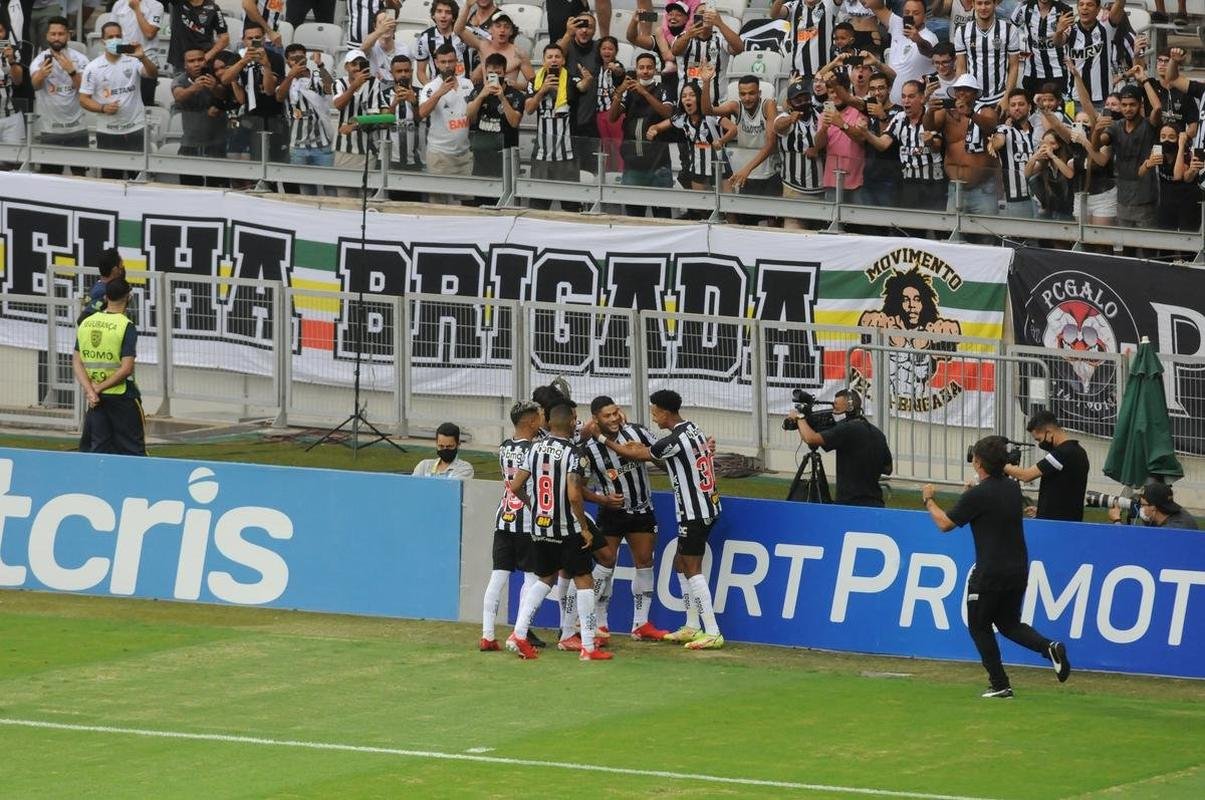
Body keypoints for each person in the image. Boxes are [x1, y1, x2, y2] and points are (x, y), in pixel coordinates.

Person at [922, 436, 1070, 698]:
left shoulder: (979, 494)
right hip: (1017, 569)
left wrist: (929, 501)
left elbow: (945, 524)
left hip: (990, 572)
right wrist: (971, 493)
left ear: (978, 462)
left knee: (979, 626)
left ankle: (1000, 683)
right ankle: (1049, 647)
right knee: (1008, 623)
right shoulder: (1012, 489)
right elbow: (986, 506)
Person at [602, 389, 724, 650]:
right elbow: (653, 451)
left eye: (654, 410)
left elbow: (637, 455)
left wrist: (603, 438)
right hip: (706, 506)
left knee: (692, 568)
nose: (653, 416)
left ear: (665, 412)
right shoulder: (693, 429)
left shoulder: (675, 440)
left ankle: (712, 631)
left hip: (695, 512)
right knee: (681, 563)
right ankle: (692, 626)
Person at [506, 402, 613, 661]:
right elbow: (575, 495)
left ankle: (518, 634)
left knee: (545, 578)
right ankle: (587, 646)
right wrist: (584, 528)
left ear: (550, 423)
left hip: (540, 525)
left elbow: (516, 485)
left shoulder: (533, 449)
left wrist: (535, 507)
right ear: (573, 421)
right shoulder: (576, 454)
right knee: (584, 579)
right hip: (567, 528)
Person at [581, 396, 670, 642]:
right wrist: (603, 500)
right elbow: (577, 487)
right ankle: (599, 624)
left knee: (644, 562)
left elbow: (665, 459)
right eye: (606, 415)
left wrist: (648, 455)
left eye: (615, 413)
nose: (613, 419)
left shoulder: (637, 432)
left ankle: (640, 624)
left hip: (642, 509)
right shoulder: (589, 448)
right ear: (596, 419)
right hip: (611, 512)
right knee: (606, 564)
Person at [480, 400, 543, 651]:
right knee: (531, 578)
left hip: (503, 517)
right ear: (530, 421)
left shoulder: (505, 447)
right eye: (538, 417)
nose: (542, 421)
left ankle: (487, 634)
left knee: (498, 577)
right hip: (527, 521)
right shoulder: (535, 450)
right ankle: (520, 633)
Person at [71, 278, 147, 456]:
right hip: (122, 397)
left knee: (98, 449)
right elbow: (126, 368)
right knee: (133, 451)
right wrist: (99, 388)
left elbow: (76, 361)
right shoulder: (125, 326)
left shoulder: (86, 322)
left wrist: (91, 390)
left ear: (106, 297)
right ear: (128, 297)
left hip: (96, 400)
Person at [80, 21, 158, 178]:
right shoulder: (92, 67)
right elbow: (83, 99)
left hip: (136, 128)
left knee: (139, 177)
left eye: (118, 36)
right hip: (108, 131)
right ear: (102, 40)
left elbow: (152, 73)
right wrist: (102, 108)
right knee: (111, 178)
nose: (115, 39)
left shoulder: (134, 59)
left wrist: (143, 58)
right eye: (110, 37)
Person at [701, 69, 779, 222]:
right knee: (747, 220)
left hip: (768, 171)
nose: (747, 98)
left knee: (772, 221)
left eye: (752, 93)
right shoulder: (736, 106)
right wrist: (706, 83)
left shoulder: (768, 105)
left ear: (760, 93)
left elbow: (771, 144)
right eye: (743, 94)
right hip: (746, 172)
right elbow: (707, 111)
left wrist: (746, 170)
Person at [790, 388, 892, 507]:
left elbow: (811, 439)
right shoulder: (877, 433)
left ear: (850, 408)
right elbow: (888, 469)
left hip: (849, 505)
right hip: (875, 503)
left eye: (836, 408)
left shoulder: (847, 430)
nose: (834, 412)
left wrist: (799, 417)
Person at [524, 43, 592, 211]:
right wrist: (542, 91)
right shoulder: (534, 82)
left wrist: (588, 80)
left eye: (557, 57)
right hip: (541, 155)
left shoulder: (570, 79)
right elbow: (529, 109)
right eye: (550, 57)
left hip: (567, 155)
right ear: (543, 61)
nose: (553, 60)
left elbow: (582, 86)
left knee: (570, 205)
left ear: (563, 61)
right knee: (538, 205)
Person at [924, 73, 999, 220]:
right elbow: (929, 126)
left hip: (982, 188)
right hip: (955, 187)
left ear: (975, 93)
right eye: (959, 89)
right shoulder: (946, 113)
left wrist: (971, 114)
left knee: (987, 235)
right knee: (953, 233)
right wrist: (929, 111)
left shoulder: (985, 110)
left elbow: (991, 127)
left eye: (967, 89)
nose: (962, 93)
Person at [611, 51, 675, 218]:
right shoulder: (629, 91)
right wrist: (619, 93)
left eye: (649, 67)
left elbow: (668, 113)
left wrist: (645, 92)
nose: (645, 71)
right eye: (641, 68)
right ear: (636, 70)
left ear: (656, 70)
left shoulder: (664, 89)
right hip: (633, 165)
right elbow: (612, 118)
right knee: (633, 217)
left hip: (659, 164)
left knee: (662, 217)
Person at [1097, 82, 1161, 233]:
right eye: (1124, 105)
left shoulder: (1149, 125)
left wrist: (1145, 81)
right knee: (1124, 249)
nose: (1127, 108)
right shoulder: (1116, 126)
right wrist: (1097, 129)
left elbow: (1157, 108)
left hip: (1145, 200)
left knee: (1147, 249)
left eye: (1132, 104)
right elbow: (1102, 140)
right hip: (1123, 199)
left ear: (1140, 105)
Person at [220, 22, 287, 165]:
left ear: (263, 39)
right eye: (250, 38)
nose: (253, 41)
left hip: (273, 116)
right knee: (251, 161)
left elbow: (270, 90)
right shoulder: (238, 57)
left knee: (274, 162)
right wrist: (243, 62)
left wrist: (266, 66)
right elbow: (225, 79)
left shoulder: (275, 58)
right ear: (243, 40)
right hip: (250, 116)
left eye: (257, 37)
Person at [1004, 410, 1089, 521]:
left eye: (1039, 439)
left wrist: (1000, 464)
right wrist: (1042, 510)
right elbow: (1064, 491)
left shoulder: (1063, 453)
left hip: (1058, 524)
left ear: (1048, 432)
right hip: (1068, 518)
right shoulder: (1079, 451)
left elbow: (1026, 475)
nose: (1040, 444)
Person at [419, 42, 475, 201]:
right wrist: (439, 93)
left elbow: (473, 116)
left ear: (457, 61)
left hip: (464, 154)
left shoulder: (467, 84)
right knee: (438, 205)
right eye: (443, 62)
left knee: (465, 205)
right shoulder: (430, 87)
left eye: (451, 61)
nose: (447, 65)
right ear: (436, 63)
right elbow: (422, 113)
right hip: (440, 155)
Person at [29, 17, 89, 161]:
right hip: (49, 129)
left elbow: (86, 91)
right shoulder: (39, 60)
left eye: (61, 34)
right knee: (49, 176)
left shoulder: (81, 59)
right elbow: (35, 86)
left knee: (79, 176)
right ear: (47, 36)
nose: (57, 38)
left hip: (77, 128)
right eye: (53, 34)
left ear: (68, 35)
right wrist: (41, 74)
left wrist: (72, 71)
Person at [277, 44, 335, 193]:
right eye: (293, 58)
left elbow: (329, 87)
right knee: (305, 188)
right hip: (297, 146)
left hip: (321, 145)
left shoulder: (316, 77)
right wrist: (291, 75)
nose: (297, 61)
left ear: (305, 58)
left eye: (300, 57)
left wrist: (320, 64)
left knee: (330, 186)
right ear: (287, 61)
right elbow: (279, 97)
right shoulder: (285, 81)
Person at [172, 47, 230, 184]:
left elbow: (227, 95)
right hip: (190, 143)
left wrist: (215, 87)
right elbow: (178, 96)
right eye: (191, 61)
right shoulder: (180, 80)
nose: (197, 64)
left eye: (200, 59)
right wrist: (194, 88)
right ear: (185, 65)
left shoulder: (216, 76)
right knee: (189, 186)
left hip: (217, 143)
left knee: (218, 186)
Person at [775, 78, 825, 227]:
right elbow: (778, 127)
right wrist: (791, 118)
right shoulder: (784, 118)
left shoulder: (819, 115)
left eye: (806, 98)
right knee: (793, 234)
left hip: (820, 190)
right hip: (794, 190)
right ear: (790, 103)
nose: (803, 102)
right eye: (798, 100)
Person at [866, 0, 936, 106]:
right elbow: (876, 6)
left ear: (925, 16)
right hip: (894, 105)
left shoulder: (930, 37)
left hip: (918, 107)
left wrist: (918, 39)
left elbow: (929, 52)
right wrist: (876, 63)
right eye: (907, 13)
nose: (910, 16)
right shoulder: (898, 24)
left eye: (916, 13)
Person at [953, 0, 1020, 111]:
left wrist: (1007, 97)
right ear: (973, 4)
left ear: (995, 4)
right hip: (972, 98)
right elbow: (961, 67)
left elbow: (1014, 67)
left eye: (987, 3)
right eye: (979, 3)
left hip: (1000, 97)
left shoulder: (1009, 30)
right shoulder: (962, 31)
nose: (983, 7)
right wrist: (962, 97)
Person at [1059, 0, 1127, 109]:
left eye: (1090, 4)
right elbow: (1058, 42)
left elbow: (1119, 5)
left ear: (1098, 9)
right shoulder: (1070, 29)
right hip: (1076, 99)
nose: (1084, 7)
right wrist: (1058, 31)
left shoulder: (1106, 28)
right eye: (1081, 4)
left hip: (1103, 99)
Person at [467, 52, 524, 180]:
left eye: (498, 73)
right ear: (486, 72)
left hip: (505, 156)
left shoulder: (515, 95)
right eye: (491, 73)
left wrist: (502, 98)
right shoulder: (478, 90)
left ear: (505, 73)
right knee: (480, 197)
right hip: (481, 156)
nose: (494, 76)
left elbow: (514, 122)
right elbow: (469, 116)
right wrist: (482, 95)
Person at [1011, 0, 1073, 98]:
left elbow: (1060, 42)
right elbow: (1012, 26)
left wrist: (1059, 31)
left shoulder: (1065, 10)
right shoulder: (1025, 8)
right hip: (1031, 73)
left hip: (1057, 73)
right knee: (1031, 111)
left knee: (1056, 111)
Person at [110, 0, 164, 106]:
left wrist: (136, 9)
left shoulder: (156, 5)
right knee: (119, 104)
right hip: (122, 63)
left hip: (147, 62)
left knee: (145, 106)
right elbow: (112, 33)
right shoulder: (119, 4)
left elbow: (149, 33)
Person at [770, 0, 839, 81]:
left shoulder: (829, 4)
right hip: (798, 74)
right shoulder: (793, 6)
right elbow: (774, 14)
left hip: (823, 72)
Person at [414, 0, 470, 86]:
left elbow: (485, 46)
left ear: (454, 17)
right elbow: (420, 72)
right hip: (438, 91)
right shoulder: (425, 38)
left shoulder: (466, 33)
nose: (443, 16)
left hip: (464, 89)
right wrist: (431, 89)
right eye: (439, 11)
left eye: (448, 12)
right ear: (433, 15)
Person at [166, 0, 230, 72]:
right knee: (181, 83)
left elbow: (225, 38)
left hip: (204, 63)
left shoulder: (213, 8)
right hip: (181, 62)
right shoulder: (177, 2)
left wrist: (207, 56)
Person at [1109, 480, 1199, 529]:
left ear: (1153, 508)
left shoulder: (1173, 530)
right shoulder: (1178, 514)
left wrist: (1117, 521)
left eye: (1143, 505)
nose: (1141, 508)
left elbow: (1136, 548)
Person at [78, 247, 126, 322]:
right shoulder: (105, 292)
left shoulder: (97, 286)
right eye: (121, 265)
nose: (123, 268)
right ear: (115, 270)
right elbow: (82, 320)